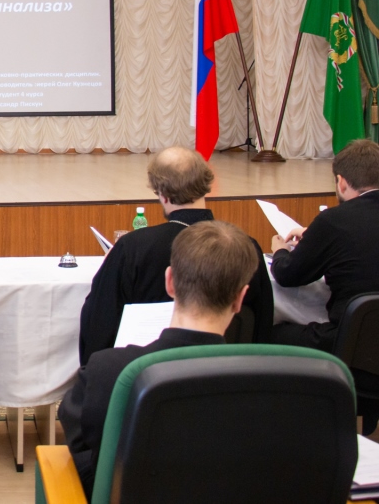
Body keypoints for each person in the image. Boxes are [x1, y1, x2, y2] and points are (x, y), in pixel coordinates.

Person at [59, 220, 259, 498]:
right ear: (240, 298)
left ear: (170, 282)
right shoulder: (270, 385)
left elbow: (85, 453)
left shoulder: (107, 372)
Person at [78, 146, 273, 364]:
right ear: (206, 183)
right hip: (229, 372)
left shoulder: (132, 249)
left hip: (144, 375)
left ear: (162, 193)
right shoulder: (246, 247)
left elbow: (98, 327)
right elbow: (261, 324)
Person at [271, 138, 379, 351]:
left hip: (351, 340)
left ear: (341, 182)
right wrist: (313, 236)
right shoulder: (333, 225)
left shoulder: (333, 221)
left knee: (268, 333)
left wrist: (281, 251)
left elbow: (287, 275)